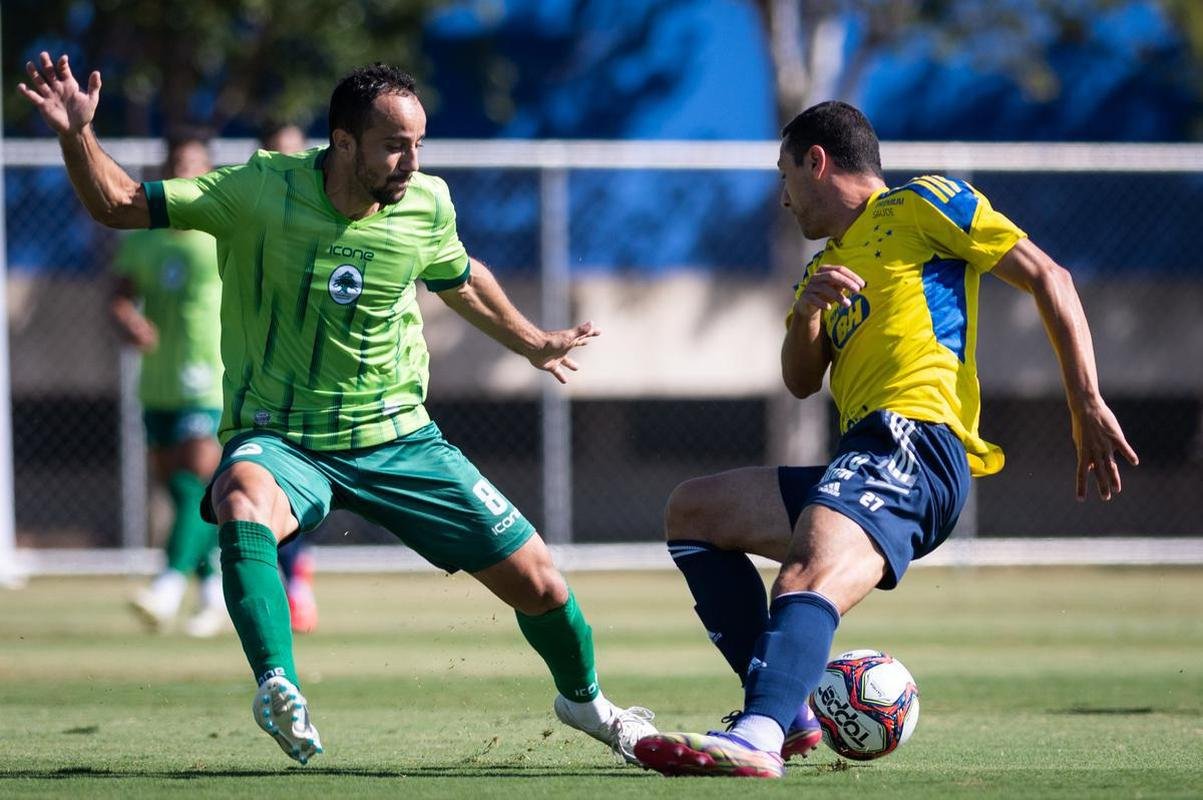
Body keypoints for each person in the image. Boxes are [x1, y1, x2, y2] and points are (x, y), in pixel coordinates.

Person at [20, 53, 657, 767]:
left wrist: (533, 342)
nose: (411, 162)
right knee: (240, 499)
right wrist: (77, 134)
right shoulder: (258, 189)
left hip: (399, 437)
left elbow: (459, 276)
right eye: (394, 145)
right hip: (282, 437)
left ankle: (586, 702)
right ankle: (277, 685)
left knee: (539, 582)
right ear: (344, 142)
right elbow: (117, 204)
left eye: (418, 144)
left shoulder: (427, 203)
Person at [633, 101, 1139, 778]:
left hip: (914, 440)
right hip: (864, 455)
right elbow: (800, 382)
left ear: (816, 162)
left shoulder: (923, 202)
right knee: (694, 512)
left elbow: (1050, 276)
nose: (782, 198)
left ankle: (759, 731)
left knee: (806, 571)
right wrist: (806, 316)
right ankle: (790, 713)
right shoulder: (823, 267)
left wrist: (1085, 400)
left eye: (784, 176)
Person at [114, 132, 229, 638]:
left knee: (199, 483)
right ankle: (212, 591)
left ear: (208, 175)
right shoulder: (145, 238)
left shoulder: (224, 233)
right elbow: (120, 294)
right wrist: (127, 319)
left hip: (210, 377)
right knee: (180, 490)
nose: (184, 173)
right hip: (157, 380)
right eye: (176, 164)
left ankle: (167, 585)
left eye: (193, 165)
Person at [257, 120, 319, 635]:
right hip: (257, 381)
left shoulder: (330, 213)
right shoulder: (249, 208)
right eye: (279, 153)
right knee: (249, 490)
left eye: (297, 152)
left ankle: (296, 577)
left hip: (314, 388)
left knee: (292, 490)